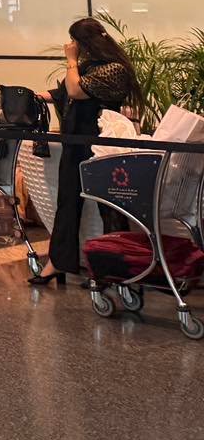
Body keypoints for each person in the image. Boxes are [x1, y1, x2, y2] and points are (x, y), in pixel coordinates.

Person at [30, 17, 139, 286]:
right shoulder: (88, 66)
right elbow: (64, 92)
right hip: (75, 141)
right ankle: (58, 262)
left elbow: (76, 90)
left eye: (74, 40)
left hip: (102, 144)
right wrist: (35, 96)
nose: (71, 45)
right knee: (67, 202)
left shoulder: (115, 69)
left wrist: (70, 60)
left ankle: (112, 269)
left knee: (109, 206)